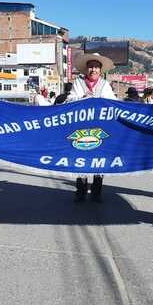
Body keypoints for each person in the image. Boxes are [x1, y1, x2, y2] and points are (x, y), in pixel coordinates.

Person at [66, 53, 117, 202]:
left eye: (96, 67)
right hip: (81, 128)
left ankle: (96, 191)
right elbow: (69, 99)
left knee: (98, 162)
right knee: (81, 160)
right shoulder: (78, 83)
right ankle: (80, 191)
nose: (93, 69)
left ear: (100, 70)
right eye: (91, 66)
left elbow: (113, 103)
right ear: (86, 69)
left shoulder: (104, 85)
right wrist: (82, 98)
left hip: (99, 129)